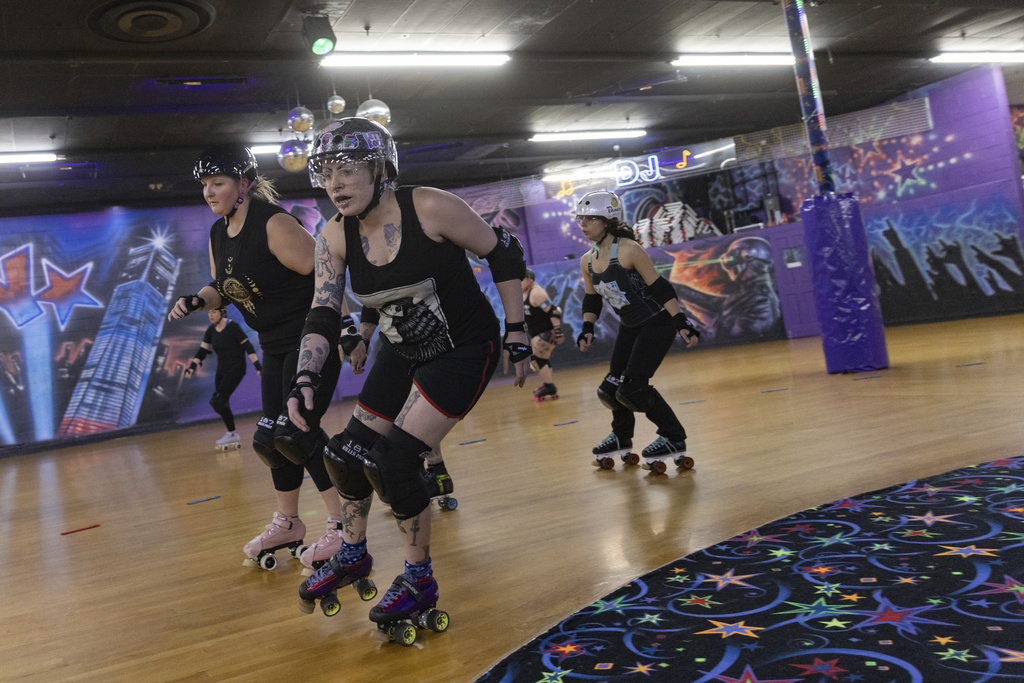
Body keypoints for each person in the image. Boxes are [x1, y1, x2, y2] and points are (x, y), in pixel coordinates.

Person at [289, 117, 530, 634]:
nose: (335, 183)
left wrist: (517, 331)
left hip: (464, 348)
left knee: (393, 463)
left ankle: (419, 577)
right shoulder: (332, 234)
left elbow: (503, 251)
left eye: (348, 169)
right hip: (402, 351)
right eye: (327, 171)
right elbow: (322, 312)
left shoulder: (430, 207)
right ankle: (354, 553)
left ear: (381, 169)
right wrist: (306, 378)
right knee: (343, 455)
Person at [168, 144, 365, 572]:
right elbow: (223, 286)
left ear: (244, 184)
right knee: (269, 440)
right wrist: (196, 300)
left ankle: (342, 523)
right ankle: (289, 522)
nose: (208, 192)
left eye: (217, 183)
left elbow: (326, 274)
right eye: (204, 185)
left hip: (310, 336)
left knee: (298, 433)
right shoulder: (219, 233)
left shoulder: (272, 223)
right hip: (274, 343)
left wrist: (347, 331)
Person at [574, 190, 701, 473]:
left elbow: (660, 288)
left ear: (607, 220)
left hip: (657, 323)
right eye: (580, 219)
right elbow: (592, 298)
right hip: (630, 327)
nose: (582, 224)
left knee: (633, 388)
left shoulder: (629, 250)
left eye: (589, 219)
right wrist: (587, 328)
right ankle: (622, 436)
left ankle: (673, 436)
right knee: (610, 389)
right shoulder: (588, 260)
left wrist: (681, 322)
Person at [183, 305, 262, 450]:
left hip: (236, 370)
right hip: (221, 371)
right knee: (218, 402)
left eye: (214, 312)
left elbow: (248, 347)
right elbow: (202, 351)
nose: (211, 315)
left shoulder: (233, 327)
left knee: (219, 400)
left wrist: (258, 366)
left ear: (222, 313)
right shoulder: (211, 330)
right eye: (209, 313)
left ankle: (231, 433)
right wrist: (191, 367)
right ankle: (231, 432)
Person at [522, 268, 565, 401]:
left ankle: (549, 386)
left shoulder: (537, 293)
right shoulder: (524, 292)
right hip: (537, 332)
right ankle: (548, 384)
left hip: (547, 332)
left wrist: (558, 332)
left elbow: (554, 311)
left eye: (519, 280)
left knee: (535, 359)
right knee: (541, 359)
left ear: (529, 280)